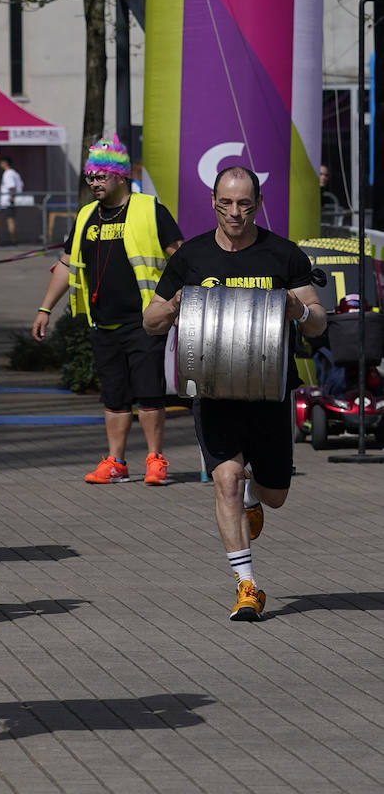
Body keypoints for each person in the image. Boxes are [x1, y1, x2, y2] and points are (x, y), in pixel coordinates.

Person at [142, 166, 324, 621]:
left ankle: (254, 499)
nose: (235, 212)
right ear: (213, 202)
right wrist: (173, 306)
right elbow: (149, 320)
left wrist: (297, 306)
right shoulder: (192, 257)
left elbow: (319, 322)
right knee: (226, 478)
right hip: (214, 389)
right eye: (226, 203)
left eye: (244, 203)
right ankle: (248, 587)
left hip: (269, 391)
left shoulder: (282, 255)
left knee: (276, 494)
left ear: (258, 204)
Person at [32, 135, 183, 485]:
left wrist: (177, 302)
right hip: (103, 322)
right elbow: (66, 265)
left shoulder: (149, 209)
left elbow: (180, 257)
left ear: (120, 176)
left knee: (148, 393)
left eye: (101, 176)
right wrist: (44, 308)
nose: (95, 183)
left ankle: (155, 459)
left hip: (145, 320)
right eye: (91, 177)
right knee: (113, 396)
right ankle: (115, 461)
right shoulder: (86, 215)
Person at [0, 156, 23, 244]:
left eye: (1, 163)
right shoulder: (15, 173)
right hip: (11, 201)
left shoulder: (8, 173)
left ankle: (12, 240)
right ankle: (13, 240)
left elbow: (12, 187)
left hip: (8, 201)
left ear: (5, 163)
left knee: (9, 221)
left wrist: (12, 198)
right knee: (11, 220)